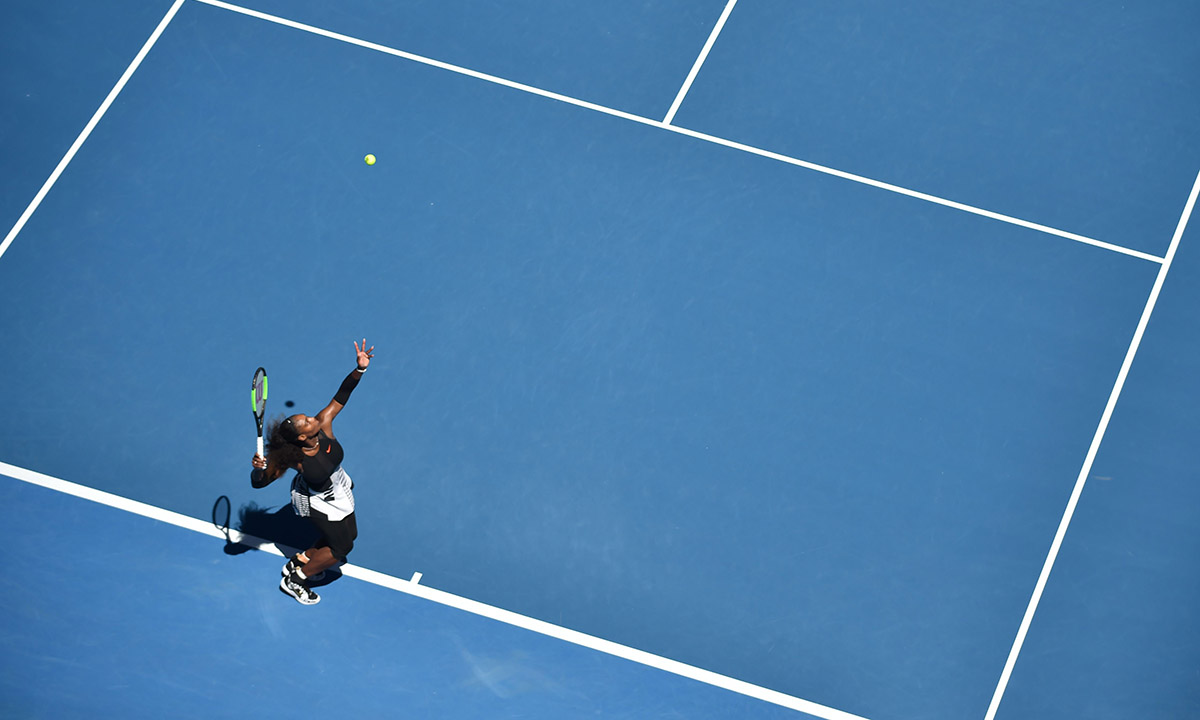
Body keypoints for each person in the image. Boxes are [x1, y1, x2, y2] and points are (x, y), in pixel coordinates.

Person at [251, 339, 375, 605]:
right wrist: (258, 470)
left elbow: (342, 394)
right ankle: (296, 580)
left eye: (306, 416)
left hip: (336, 485)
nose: (312, 419)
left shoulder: (324, 424)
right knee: (342, 547)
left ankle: (303, 558)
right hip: (317, 501)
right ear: (300, 438)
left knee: (347, 534)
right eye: (305, 422)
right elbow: (259, 483)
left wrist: (360, 369)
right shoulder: (295, 460)